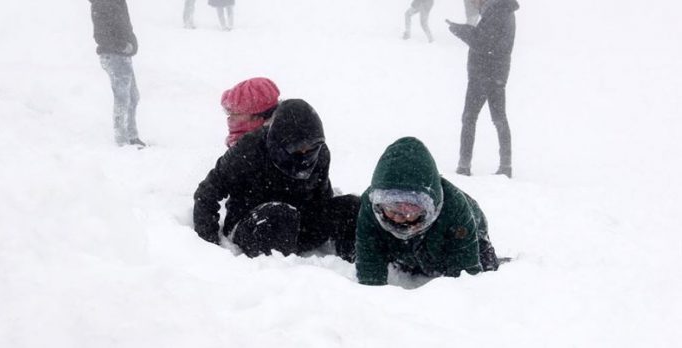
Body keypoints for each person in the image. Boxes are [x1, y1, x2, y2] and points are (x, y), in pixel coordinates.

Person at [194, 99, 360, 261]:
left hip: (300, 226)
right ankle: (280, 276)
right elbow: (207, 193)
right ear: (279, 141)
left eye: (310, 148)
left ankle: (353, 267)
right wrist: (209, 244)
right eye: (297, 148)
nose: (305, 153)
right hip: (252, 227)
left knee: (353, 207)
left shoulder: (321, 153)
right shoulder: (249, 149)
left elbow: (322, 197)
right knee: (280, 214)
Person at [355, 137, 500, 286]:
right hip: (405, 248)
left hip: (461, 239)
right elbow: (369, 260)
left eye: (408, 209)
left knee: (486, 274)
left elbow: (466, 278)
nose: (398, 218)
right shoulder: (370, 205)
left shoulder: (456, 208)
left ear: (428, 206)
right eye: (391, 208)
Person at [447, 0, 519, 178]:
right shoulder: (504, 9)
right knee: (499, 118)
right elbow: (488, 40)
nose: (473, 4)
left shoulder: (496, 10)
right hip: (497, 73)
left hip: (483, 73)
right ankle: (506, 165)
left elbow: (482, 42)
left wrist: (460, 30)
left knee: (470, 118)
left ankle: (464, 165)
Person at [89, 0, 145, 148]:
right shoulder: (101, 3)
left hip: (123, 56)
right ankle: (122, 140)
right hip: (113, 56)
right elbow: (100, 36)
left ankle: (132, 136)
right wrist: (121, 46)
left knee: (133, 97)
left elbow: (126, 28)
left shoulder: (118, 2)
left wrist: (132, 44)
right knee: (123, 98)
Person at [220, 77, 280, 148]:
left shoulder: (266, 147)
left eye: (236, 113)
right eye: (228, 112)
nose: (230, 117)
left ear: (258, 116)